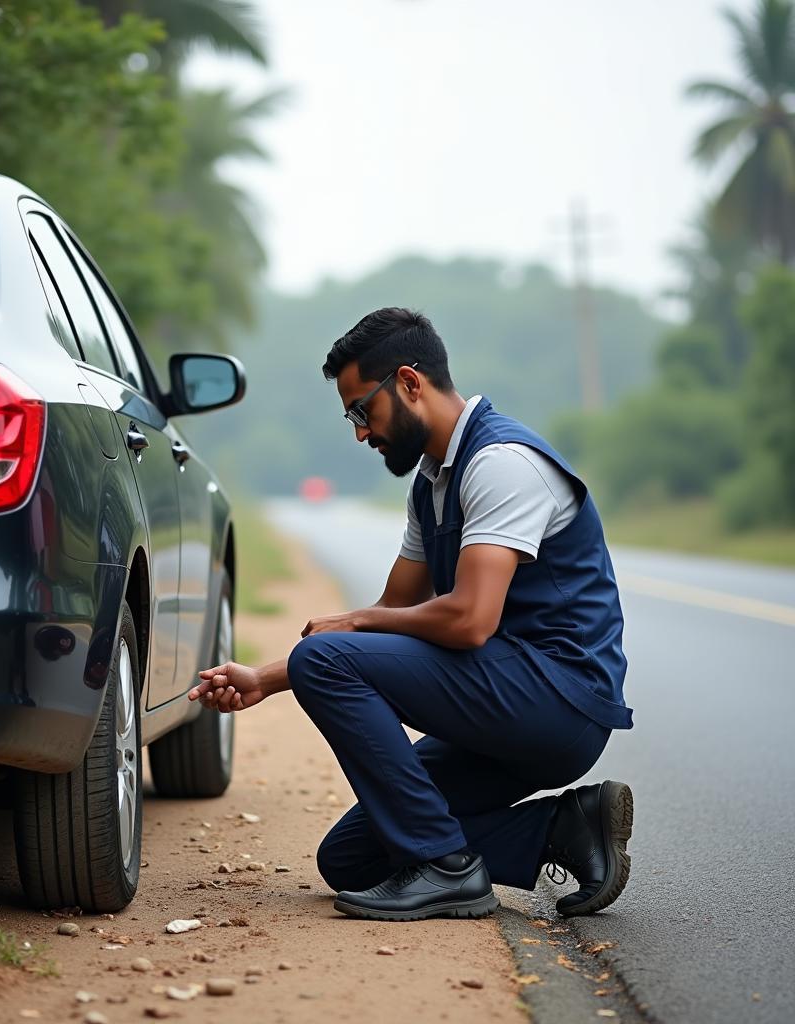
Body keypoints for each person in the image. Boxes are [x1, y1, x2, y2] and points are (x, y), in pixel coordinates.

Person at [189, 308, 634, 922]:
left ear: (408, 382)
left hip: (559, 702)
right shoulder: (432, 482)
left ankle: (447, 871)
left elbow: (470, 620)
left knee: (331, 658)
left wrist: (349, 628)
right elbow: (394, 610)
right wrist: (266, 679)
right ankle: (564, 829)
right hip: (502, 704)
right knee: (351, 857)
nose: (360, 433)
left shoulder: (502, 462)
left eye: (360, 411)